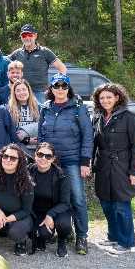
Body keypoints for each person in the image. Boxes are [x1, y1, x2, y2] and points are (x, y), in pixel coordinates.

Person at [38, 73, 93, 255]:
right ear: (51, 89)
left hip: (72, 161)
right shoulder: (45, 108)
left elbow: (87, 135)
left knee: (77, 198)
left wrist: (85, 161)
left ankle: (82, 236)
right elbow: (41, 136)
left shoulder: (78, 107)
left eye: (64, 86)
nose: (60, 90)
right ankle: (62, 230)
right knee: (54, 197)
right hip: (50, 161)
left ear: (68, 89)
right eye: (56, 86)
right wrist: (41, 157)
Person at [91, 83, 135, 255]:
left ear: (117, 97)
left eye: (109, 97)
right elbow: (93, 144)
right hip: (103, 167)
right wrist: (90, 164)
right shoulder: (98, 118)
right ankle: (113, 236)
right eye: (102, 98)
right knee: (106, 204)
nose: (105, 100)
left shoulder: (128, 117)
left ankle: (125, 242)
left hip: (122, 167)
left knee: (121, 206)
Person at [28, 142, 72, 257]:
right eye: (40, 154)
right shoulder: (28, 171)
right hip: (36, 212)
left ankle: (61, 242)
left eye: (48, 156)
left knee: (64, 224)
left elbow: (65, 203)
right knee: (43, 234)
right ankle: (42, 238)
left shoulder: (62, 175)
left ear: (53, 159)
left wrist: (50, 214)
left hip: (57, 210)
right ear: (35, 155)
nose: (43, 158)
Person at [8, 24, 67, 104]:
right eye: (24, 35)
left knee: (40, 115)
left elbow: (62, 69)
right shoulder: (17, 53)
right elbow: (5, 65)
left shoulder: (45, 52)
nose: (27, 38)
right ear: (21, 37)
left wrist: (53, 87)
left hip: (40, 93)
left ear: (35, 36)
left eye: (30, 35)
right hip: (21, 92)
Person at [8, 79, 40, 155]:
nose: (21, 92)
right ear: (14, 93)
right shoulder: (8, 109)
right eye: (18, 90)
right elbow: (9, 132)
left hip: (37, 147)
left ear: (28, 91)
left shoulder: (39, 107)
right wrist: (27, 140)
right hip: (18, 149)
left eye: (24, 89)